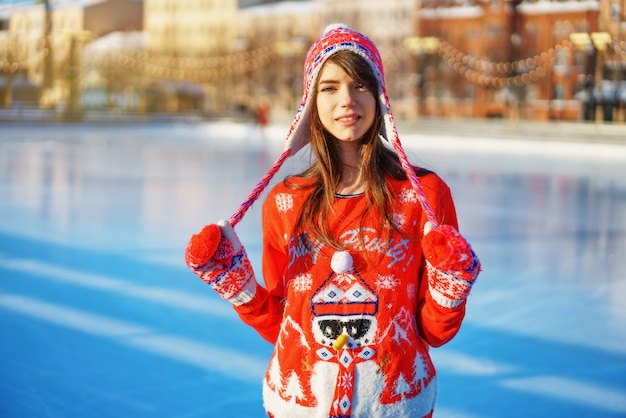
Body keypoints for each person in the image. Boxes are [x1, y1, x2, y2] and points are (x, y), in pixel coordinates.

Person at [185, 24, 481, 418]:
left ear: (379, 96)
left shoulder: (422, 195)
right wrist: (239, 288)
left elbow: (433, 332)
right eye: (330, 87)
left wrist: (451, 288)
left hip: (395, 407)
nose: (347, 100)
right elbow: (282, 326)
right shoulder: (286, 202)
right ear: (311, 101)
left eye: (360, 85)